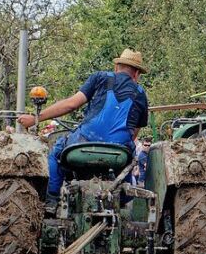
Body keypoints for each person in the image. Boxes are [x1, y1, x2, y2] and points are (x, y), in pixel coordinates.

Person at [17, 49, 149, 209]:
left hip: (84, 142)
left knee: (56, 153)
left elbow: (71, 104)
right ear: (136, 74)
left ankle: (51, 200)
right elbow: (134, 134)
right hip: (118, 153)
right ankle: (119, 202)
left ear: (116, 67)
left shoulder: (100, 78)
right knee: (129, 162)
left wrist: (35, 118)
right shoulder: (141, 94)